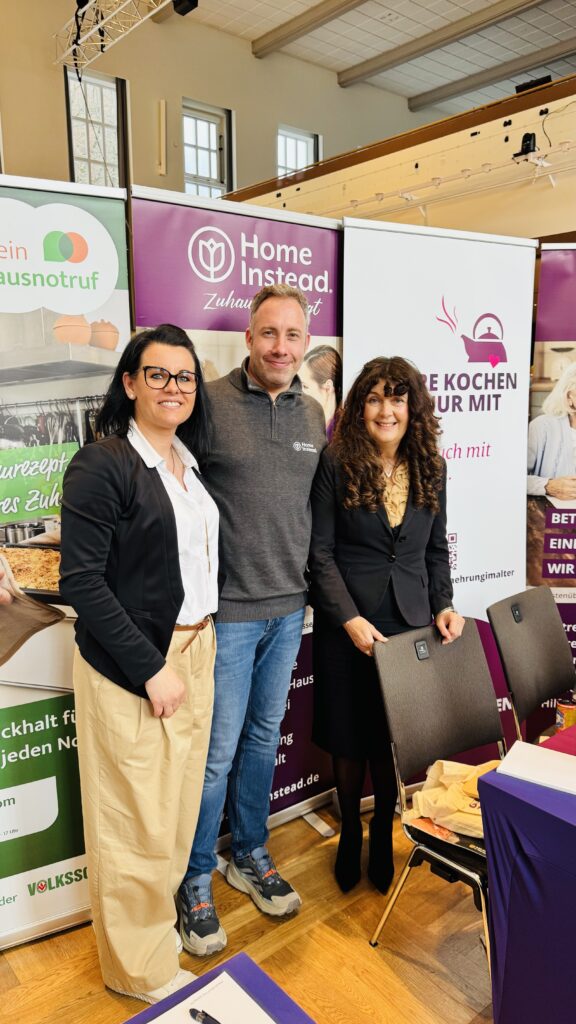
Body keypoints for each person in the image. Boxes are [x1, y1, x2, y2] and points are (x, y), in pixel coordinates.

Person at [59, 325, 218, 1003]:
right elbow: (82, 582)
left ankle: (157, 934)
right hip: (136, 665)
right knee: (134, 822)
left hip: (197, 648)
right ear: (129, 383)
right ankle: (140, 971)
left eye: (184, 377)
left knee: (175, 811)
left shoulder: (187, 458)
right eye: (158, 375)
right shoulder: (104, 464)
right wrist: (150, 670)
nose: (173, 388)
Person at [177, 284, 327, 956]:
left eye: (293, 336)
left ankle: (250, 854)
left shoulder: (313, 414)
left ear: (304, 342)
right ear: (248, 338)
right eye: (269, 334)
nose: (281, 347)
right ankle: (193, 879)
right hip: (227, 613)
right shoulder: (207, 403)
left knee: (263, 739)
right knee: (216, 755)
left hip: (287, 609)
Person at [308, 356, 464, 893]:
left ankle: (381, 827)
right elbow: (320, 554)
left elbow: (436, 551)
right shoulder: (336, 462)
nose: (386, 410)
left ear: (412, 408)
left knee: (390, 737)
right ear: (360, 407)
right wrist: (348, 618)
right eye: (374, 398)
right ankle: (350, 827)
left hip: (410, 621)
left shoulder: (432, 468)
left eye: (397, 399)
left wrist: (443, 603)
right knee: (351, 736)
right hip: (350, 621)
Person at [528, 362, 576, 499]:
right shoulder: (542, 427)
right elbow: (513, 479)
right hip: (551, 516)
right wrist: (548, 486)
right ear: (569, 397)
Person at [300, 344, 342, 438]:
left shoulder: (346, 433)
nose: (299, 393)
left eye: (305, 386)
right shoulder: (303, 424)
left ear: (328, 388)